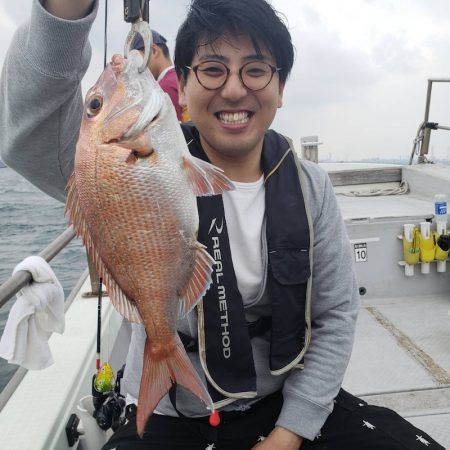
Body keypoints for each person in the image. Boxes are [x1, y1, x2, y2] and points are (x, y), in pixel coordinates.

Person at [0, 1, 445, 449]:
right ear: (184, 85)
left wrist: (290, 432)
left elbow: (335, 314)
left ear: (282, 87)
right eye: (213, 69)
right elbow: (26, 131)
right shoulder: (114, 161)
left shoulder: (310, 187)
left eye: (256, 70)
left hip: (285, 401)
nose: (234, 90)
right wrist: (65, 11)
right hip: (172, 410)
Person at [132, 29, 187, 121]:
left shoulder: (162, 88)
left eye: (136, 59)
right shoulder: (181, 78)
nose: (135, 68)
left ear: (153, 51)